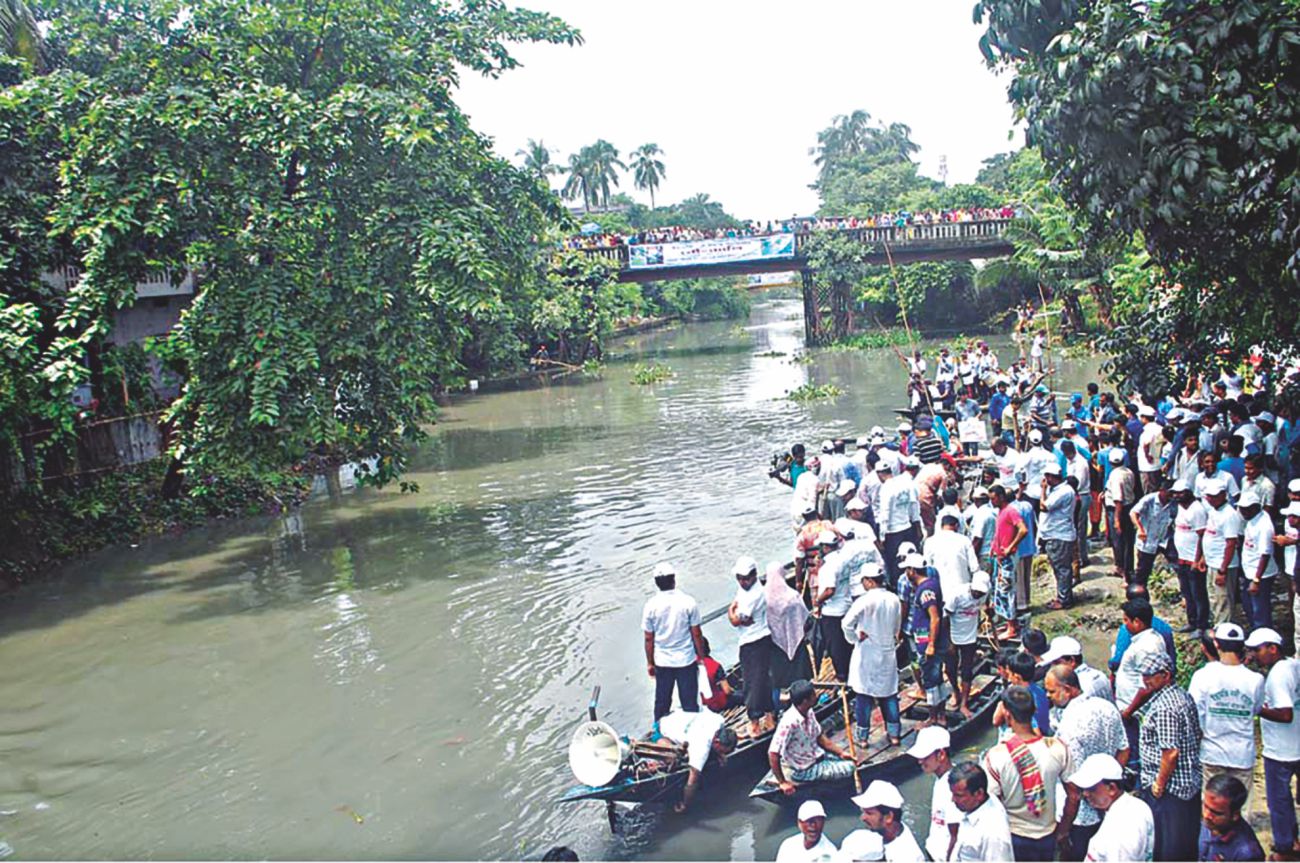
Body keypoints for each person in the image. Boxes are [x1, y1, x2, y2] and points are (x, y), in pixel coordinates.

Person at [1044, 666, 1128, 861]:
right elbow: (1124, 749)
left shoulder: (1069, 727)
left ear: (1069, 689)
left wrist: (1063, 831)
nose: (1048, 696)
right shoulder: (1106, 707)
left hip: (1081, 817)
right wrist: (1110, 788)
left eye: (1052, 691)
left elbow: (1073, 793)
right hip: (1109, 802)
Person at [982, 685, 1075, 861]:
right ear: (1034, 711)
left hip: (1013, 835)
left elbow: (991, 806)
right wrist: (1063, 831)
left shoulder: (996, 756)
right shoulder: (1058, 748)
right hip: (1048, 833)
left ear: (1008, 715)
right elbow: (1074, 796)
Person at [1187, 623, 1263, 811]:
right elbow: (1256, 709)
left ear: (1217, 645)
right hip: (1242, 753)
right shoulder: (1255, 679)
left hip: (1213, 751)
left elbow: (1195, 714)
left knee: (1212, 807)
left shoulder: (1202, 676)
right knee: (1240, 807)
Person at [1136, 651, 1203, 862]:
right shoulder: (1182, 695)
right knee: (1184, 842)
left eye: (1150, 675)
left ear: (1165, 675)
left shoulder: (1166, 707)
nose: (1144, 680)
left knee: (1168, 848)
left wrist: (1159, 784)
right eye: (1143, 675)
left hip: (1171, 789)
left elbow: (1171, 753)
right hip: (1188, 784)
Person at [1246, 627, 1300, 859]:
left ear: (1272, 648)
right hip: (1294, 744)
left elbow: (1285, 713)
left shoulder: (1278, 675)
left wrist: (1258, 709)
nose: (1253, 655)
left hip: (1281, 750)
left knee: (1279, 801)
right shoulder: (1292, 666)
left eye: (1257, 650)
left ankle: (1285, 847)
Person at [843, 563, 902, 748]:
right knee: (889, 694)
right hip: (887, 650)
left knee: (864, 696)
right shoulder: (893, 599)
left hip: (868, 652)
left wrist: (854, 638)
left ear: (868, 581)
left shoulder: (863, 601)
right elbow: (896, 627)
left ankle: (863, 738)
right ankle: (894, 735)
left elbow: (846, 624)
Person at [769, 679, 858, 793]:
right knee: (850, 767)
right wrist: (782, 782)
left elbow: (819, 736)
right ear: (805, 700)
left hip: (816, 756)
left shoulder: (809, 711)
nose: (816, 696)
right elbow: (773, 753)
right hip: (804, 769)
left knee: (849, 760)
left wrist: (840, 752)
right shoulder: (788, 723)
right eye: (813, 695)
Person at [642, 562, 705, 721]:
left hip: (663, 661)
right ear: (674, 580)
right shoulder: (688, 602)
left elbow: (649, 638)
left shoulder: (650, 606)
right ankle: (692, 730)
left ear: (656, 583)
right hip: (686, 659)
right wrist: (701, 656)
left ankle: (658, 731)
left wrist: (650, 662)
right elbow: (696, 634)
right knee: (689, 701)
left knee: (662, 700)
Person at [1068, 753, 1155, 861]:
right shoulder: (1137, 806)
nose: (1085, 794)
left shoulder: (1119, 831)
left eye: (1091, 788)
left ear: (1112, 788)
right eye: (1083, 788)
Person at [1114, 598, 1169, 763]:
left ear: (1137, 622)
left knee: (1136, 753)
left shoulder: (1146, 646)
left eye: (1126, 620)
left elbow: (1148, 685)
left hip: (1136, 712)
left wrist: (1129, 711)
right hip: (1132, 708)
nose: (1125, 625)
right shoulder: (1148, 640)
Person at [727, 556, 775, 738]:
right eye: (739, 577)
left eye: (746, 578)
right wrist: (735, 614)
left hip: (754, 641)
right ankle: (769, 717)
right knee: (761, 679)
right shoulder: (745, 590)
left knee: (752, 682)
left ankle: (755, 722)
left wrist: (731, 612)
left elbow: (736, 620)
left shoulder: (754, 594)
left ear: (754, 575)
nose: (742, 581)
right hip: (754, 639)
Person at [655, 708, 738, 813]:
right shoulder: (701, 748)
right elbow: (692, 782)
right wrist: (685, 804)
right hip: (662, 730)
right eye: (724, 751)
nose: (725, 754)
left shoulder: (719, 720)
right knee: (672, 758)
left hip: (675, 716)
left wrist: (719, 753)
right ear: (717, 742)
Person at [904, 553, 949, 726]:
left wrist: (930, 644)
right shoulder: (931, 585)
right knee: (936, 678)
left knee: (930, 679)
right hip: (928, 639)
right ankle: (941, 715)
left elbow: (935, 617)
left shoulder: (925, 590)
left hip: (928, 642)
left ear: (912, 571)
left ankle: (934, 716)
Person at [906, 727, 960, 862]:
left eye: (925, 757)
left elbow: (956, 834)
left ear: (941, 755)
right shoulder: (940, 779)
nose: (920, 761)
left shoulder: (953, 788)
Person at [766, 561, 814, 706]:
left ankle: (779, 704)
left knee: (778, 676)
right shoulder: (792, 596)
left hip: (775, 643)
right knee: (799, 671)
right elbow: (805, 616)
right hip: (796, 640)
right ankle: (803, 699)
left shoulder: (763, 598)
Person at [948, 760, 1015, 862]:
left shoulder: (993, 832)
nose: (953, 800)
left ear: (979, 793)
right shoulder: (973, 807)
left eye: (959, 795)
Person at [945, 570, 990, 718]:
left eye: (980, 593)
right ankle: (956, 692)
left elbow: (985, 608)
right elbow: (946, 618)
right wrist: (950, 641)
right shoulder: (957, 594)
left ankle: (964, 703)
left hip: (970, 637)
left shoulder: (984, 595)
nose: (978, 595)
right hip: (954, 634)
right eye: (976, 592)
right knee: (950, 669)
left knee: (966, 670)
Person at [989, 483, 1029, 639]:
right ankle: (1009, 622)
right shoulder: (1001, 512)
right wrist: (994, 546)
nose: (992, 502)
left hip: (1008, 558)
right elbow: (999, 532)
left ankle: (1012, 626)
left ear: (1000, 497)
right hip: (1000, 557)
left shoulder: (1010, 511)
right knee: (999, 590)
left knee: (1006, 591)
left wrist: (1011, 546)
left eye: (993, 499)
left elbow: (1023, 529)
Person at [1201, 479, 1244, 625]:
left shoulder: (1229, 515)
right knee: (1214, 598)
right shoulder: (1213, 511)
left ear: (1223, 495)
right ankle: (1217, 625)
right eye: (1209, 496)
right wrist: (1203, 557)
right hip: (1212, 562)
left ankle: (1223, 630)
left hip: (1222, 564)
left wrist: (1223, 570)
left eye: (1214, 496)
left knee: (1223, 600)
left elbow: (1231, 543)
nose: (1210, 499)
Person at [1172, 478, 1211, 636]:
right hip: (1181, 557)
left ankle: (1201, 625)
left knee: (1198, 594)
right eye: (1175, 493)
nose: (1177, 496)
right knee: (1187, 592)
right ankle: (1191, 621)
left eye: (1180, 493)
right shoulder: (1181, 508)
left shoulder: (1197, 510)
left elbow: (1202, 536)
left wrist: (1197, 559)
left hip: (1193, 560)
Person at [852, 780, 927, 862]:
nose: (863, 818)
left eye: (869, 813)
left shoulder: (906, 857)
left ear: (889, 817)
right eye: (864, 812)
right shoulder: (892, 831)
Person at [1199, 775, 1266, 861]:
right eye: (1205, 806)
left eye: (1216, 813)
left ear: (1235, 815)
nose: (1206, 815)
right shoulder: (1208, 822)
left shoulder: (1246, 854)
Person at [1039, 462, 1078, 609]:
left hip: (1059, 534)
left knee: (1062, 568)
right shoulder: (1060, 490)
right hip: (1056, 533)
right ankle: (1063, 596)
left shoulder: (1063, 492)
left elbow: (1044, 506)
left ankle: (1064, 599)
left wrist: (1043, 491)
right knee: (1059, 567)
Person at [877, 462, 921, 591]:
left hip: (893, 532)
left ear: (879, 474)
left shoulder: (886, 488)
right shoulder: (903, 484)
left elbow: (884, 514)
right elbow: (913, 506)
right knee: (909, 558)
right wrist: (916, 524)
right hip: (907, 527)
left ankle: (899, 589)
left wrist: (881, 536)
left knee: (895, 564)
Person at [1239, 489, 1278, 629]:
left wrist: (1256, 580)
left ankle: (1263, 638)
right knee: (1248, 605)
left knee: (1259, 610)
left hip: (1260, 575)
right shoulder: (1252, 519)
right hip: (1249, 570)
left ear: (1256, 507)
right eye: (1241, 508)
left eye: (1247, 509)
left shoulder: (1264, 526)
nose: (1243, 512)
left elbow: (1265, 554)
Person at [1130, 479, 1176, 589]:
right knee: (1142, 571)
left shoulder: (1174, 503)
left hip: (1164, 539)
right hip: (1148, 541)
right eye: (1169, 493)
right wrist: (1140, 528)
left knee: (1177, 565)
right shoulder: (1149, 500)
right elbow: (1133, 513)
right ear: (1161, 490)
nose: (1171, 496)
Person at [1040, 635, 1111, 702]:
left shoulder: (1076, 687)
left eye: (1056, 662)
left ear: (1071, 660)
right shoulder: (1100, 675)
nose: (1053, 667)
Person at [1105, 448, 1137, 579]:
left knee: (1119, 541)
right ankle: (1124, 567)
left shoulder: (1115, 476)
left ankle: (1123, 570)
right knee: (1127, 540)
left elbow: (1118, 499)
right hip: (1128, 506)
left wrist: (1117, 520)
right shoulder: (1128, 472)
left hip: (1118, 510)